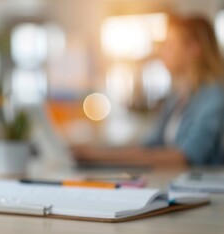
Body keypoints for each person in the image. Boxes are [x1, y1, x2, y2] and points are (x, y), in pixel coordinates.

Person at [72, 15, 224, 166]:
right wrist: (98, 150)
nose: (162, 52)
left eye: (169, 45)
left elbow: (184, 156)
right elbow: (149, 146)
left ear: (193, 49)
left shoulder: (213, 97)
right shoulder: (177, 98)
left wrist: (99, 156)